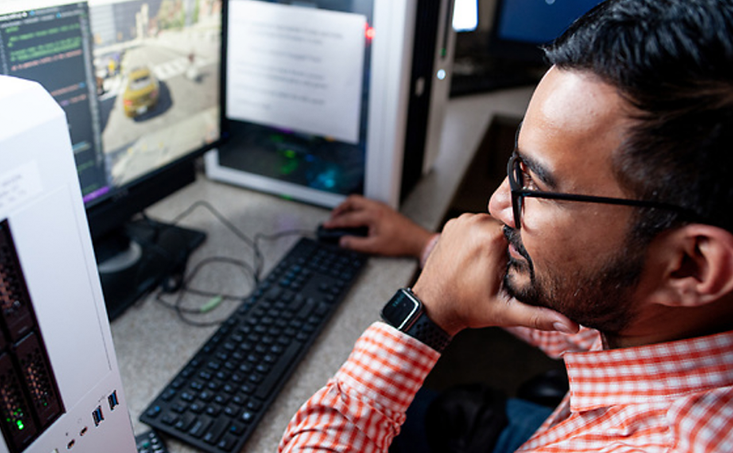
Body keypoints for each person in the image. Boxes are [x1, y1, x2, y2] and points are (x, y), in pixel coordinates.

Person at [278, 0, 733, 451]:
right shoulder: (675, 320)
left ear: (691, 266)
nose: (498, 203)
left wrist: (426, 314)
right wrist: (425, 245)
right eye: (517, 167)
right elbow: (583, 313)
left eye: (535, 187)